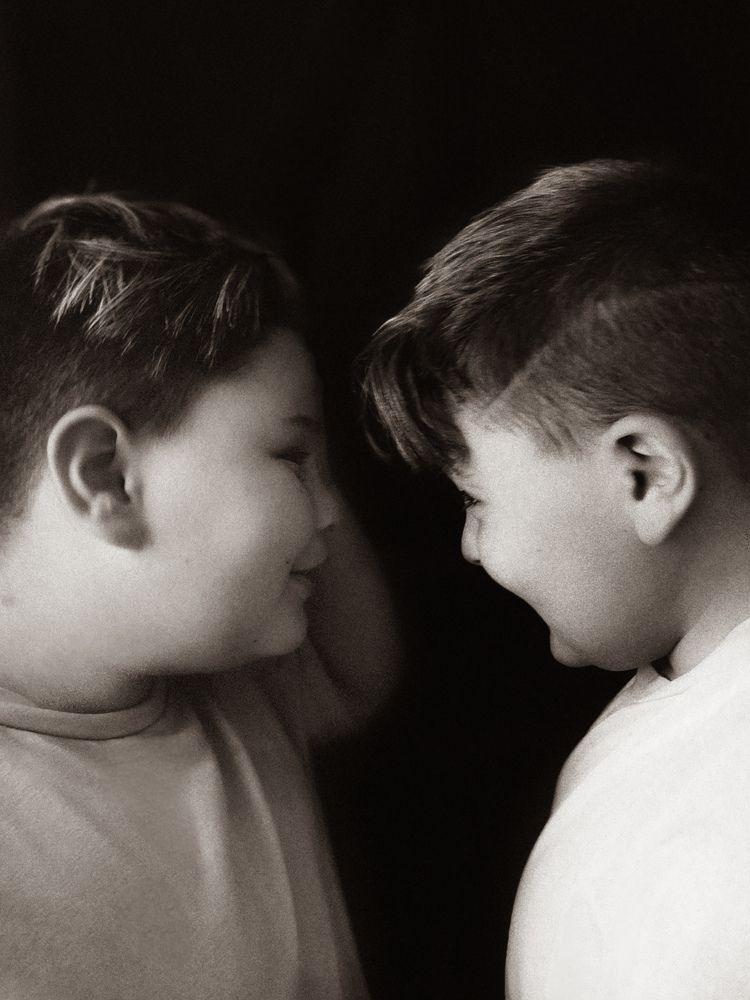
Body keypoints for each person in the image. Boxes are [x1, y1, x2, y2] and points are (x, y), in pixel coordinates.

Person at [361, 158, 750, 998]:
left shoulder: (710, 872)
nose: (470, 547)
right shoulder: (691, 696)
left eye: (475, 499)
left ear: (644, 474)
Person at [0, 193, 399, 1000]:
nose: (330, 510)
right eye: (293, 457)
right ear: (106, 474)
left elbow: (366, 665)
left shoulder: (247, 683)